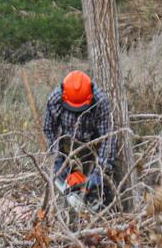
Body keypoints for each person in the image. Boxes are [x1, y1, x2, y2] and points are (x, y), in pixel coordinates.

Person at [42, 70, 114, 202]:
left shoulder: (101, 102)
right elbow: (49, 129)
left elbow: (108, 137)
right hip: (68, 145)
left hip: (94, 143)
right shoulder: (55, 99)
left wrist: (101, 171)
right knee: (63, 188)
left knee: (99, 189)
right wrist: (58, 157)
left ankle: (100, 204)